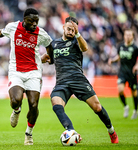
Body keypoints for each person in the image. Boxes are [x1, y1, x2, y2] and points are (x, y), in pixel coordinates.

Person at [0, 8, 52, 145]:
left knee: (33, 105)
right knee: (16, 100)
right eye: (31, 21)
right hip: (16, 71)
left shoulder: (41, 33)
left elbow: (50, 45)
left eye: (36, 21)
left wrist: (51, 57)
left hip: (34, 72)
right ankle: (16, 110)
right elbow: (0, 33)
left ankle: (29, 133)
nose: (34, 24)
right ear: (24, 19)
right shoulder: (13, 27)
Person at [42, 16, 119, 144]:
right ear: (63, 27)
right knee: (56, 103)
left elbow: (85, 48)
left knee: (97, 107)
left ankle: (111, 131)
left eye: (73, 30)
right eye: (69, 29)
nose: (71, 32)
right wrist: (44, 59)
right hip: (62, 82)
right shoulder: (54, 44)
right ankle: (71, 131)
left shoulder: (77, 41)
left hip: (78, 79)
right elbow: (52, 59)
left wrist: (78, 34)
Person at [108, 29, 138, 119]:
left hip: (131, 73)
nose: (128, 36)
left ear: (132, 36)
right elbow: (119, 56)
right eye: (126, 35)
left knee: (134, 93)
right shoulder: (120, 46)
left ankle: (135, 110)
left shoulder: (135, 48)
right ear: (124, 36)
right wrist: (113, 60)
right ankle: (125, 106)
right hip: (122, 72)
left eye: (130, 35)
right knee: (120, 90)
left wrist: (136, 66)